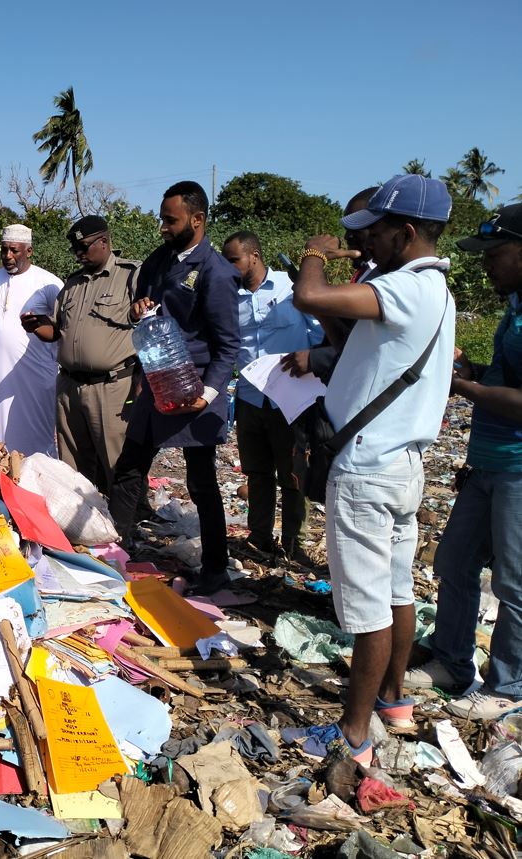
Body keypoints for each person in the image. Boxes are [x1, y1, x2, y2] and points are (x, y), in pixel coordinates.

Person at [287, 174, 454, 764]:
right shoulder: (433, 289)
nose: (365, 245)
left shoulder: (407, 289)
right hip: (401, 467)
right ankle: (394, 700)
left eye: (376, 233)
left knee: (367, 611)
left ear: (406, 232)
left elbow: (309, 297)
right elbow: (351, 336)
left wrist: (313, 252)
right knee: (398, 591)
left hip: (367, 470)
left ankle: (353, 738)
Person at [403, 204, 522, 719]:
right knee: (453, 562)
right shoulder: (514, 307)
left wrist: (465, 386)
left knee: (514, 583)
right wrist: (470, 370)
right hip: (488, 460)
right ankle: (451, 661)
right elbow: (503, 381)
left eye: (496, 253)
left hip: (518, 467)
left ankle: (508, 687)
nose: (487, 264)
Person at [108, 182, 240, 594]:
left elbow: (228, 344)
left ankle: (215, 569)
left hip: (194, 389)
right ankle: (116, 550)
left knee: (201, 483)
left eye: (171, 220)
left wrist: (209, 393)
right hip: (156, 381)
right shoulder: (160, 260)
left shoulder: (216, 273)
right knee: (129, 467)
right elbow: (141, 301)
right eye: (162, 218)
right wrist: (137, 309)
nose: (163, 227)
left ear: (197, 221)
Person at [23, 215, 141, 494]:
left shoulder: (130, 276)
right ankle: (85, 527)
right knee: (72, 466)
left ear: (104, 241)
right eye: (75, 249)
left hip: (110, 386)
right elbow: (58, 331)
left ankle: (127, 525)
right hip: (69, 387)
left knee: (117, 462)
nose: (79, 254)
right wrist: (38, 326)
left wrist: (141, 382)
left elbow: (150, 322)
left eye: (84, 247)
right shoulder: (73, 284)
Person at [223, 231, 321, 564]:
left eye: (234, 259)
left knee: (293, 475)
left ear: (254, 255)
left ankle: (294, 543)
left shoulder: (291, 287)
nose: (230, 266)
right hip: (251, 399)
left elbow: (319, 334)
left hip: (290, 401)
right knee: (257, 473)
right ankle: (260, 538)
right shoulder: (230, 297)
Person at [281, 186, 378, 384]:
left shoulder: (389, 280)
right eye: (347, 230)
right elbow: (346, 338)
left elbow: (371, 351)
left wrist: (314, 254)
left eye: (357, 228)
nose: (348, 237)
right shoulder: (365, 274)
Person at [0, 225, 61, 455]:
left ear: (29, 251)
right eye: (4, 249)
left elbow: (64, 327)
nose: (8, 256)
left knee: (36, 437)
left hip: (36, 374)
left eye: (14, 250)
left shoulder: (49, 283)